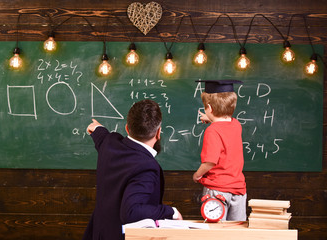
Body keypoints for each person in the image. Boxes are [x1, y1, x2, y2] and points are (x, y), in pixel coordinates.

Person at [83, 99, 182, 240]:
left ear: (127, 128)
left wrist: (97, 128)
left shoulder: (110, 143)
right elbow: (131, 211)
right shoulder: (146, 167)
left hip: (99, 234)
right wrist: (172, 212)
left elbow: (102, 137)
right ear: (158, 132)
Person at [193, 80, 247, 221]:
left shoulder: (212, 131)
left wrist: (197, 175)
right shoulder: (236, 125)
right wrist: (211, 118)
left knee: (215, 232)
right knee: (236, 231)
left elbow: (210, 162)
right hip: (239, 191)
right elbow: (224, 124)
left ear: (209, 108)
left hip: (217, 190)